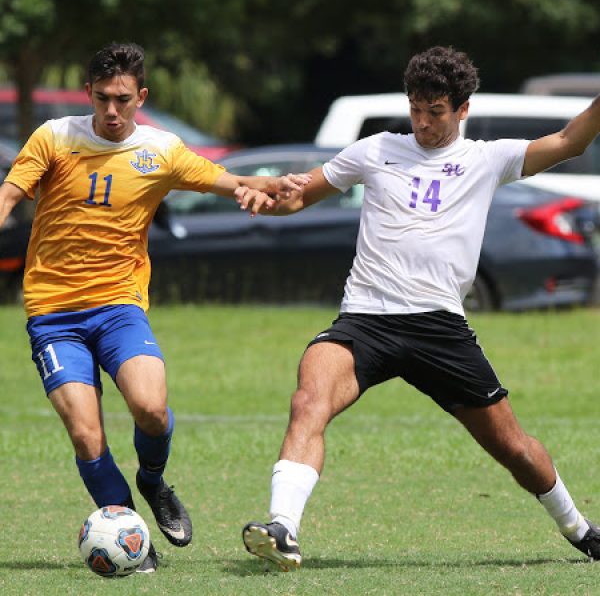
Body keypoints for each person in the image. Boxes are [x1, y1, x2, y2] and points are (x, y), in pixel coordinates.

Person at [240, 45, 600, 571]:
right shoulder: (375, 149)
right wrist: (262, 195)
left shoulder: (486, 158)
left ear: (462, 110)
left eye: (436, 112)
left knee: (514, 449)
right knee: (308, 401)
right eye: (416, 109)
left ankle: (580, 529)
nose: (424, 123)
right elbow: (300, 196)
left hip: (439, 329)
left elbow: (570, 141)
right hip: (364, 321)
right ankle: (283, 529)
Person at [0, 42, 308, 573]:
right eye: (101, 99)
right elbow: (10, 192)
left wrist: (263, 184)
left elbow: (225, 180)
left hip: (120, 305)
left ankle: (152, 481)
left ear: (141, 96)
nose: (112, 111)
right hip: (53, 315)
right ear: (88, 93)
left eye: (122, 100)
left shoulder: (159, 150)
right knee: (86, 434)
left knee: (150, 408)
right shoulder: (54, 137)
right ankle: (133, 542)